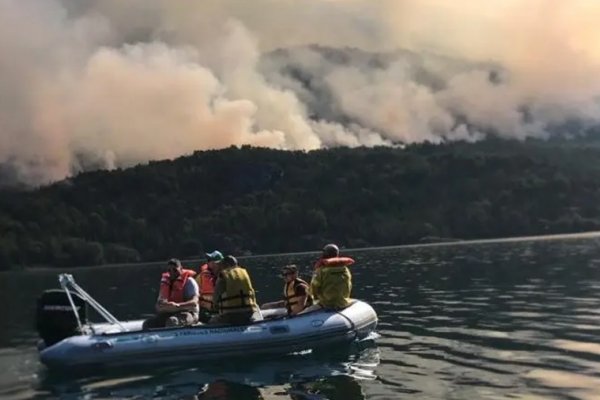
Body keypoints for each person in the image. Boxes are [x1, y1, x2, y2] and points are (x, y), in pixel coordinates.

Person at [142, 258, 199, 329]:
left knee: (172, 321)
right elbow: (158, 306)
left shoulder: (189, 282)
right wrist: (163, 306)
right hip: (169, 313)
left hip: (189, 313)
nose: (172, 272)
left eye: (175, 270)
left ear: (181, 269)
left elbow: (194, 303)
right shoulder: (165, 283)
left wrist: (177, 306)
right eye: (169, 270)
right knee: (148, 324)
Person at [210, 255, 260, 325]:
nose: (221, 267)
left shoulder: (223, 275)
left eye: (222, 265)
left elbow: (216, 297)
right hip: (248, 313)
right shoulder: (244, 273)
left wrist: (214, 308)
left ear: (226, 265)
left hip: (230, 315)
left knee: (211, 320)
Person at [307, 243, 354, 311]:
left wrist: (314, 299)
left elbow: (314, 287)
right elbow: (349, 285)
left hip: (326, 304)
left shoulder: (321, 270)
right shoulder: (345, 269)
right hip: (343, 302)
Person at [195, 250, 222, 321]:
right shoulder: (201, 276)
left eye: (210, 260)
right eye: (208, 260)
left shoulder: (226, 275)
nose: (207, 262)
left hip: (223, 309)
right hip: (205, 310)